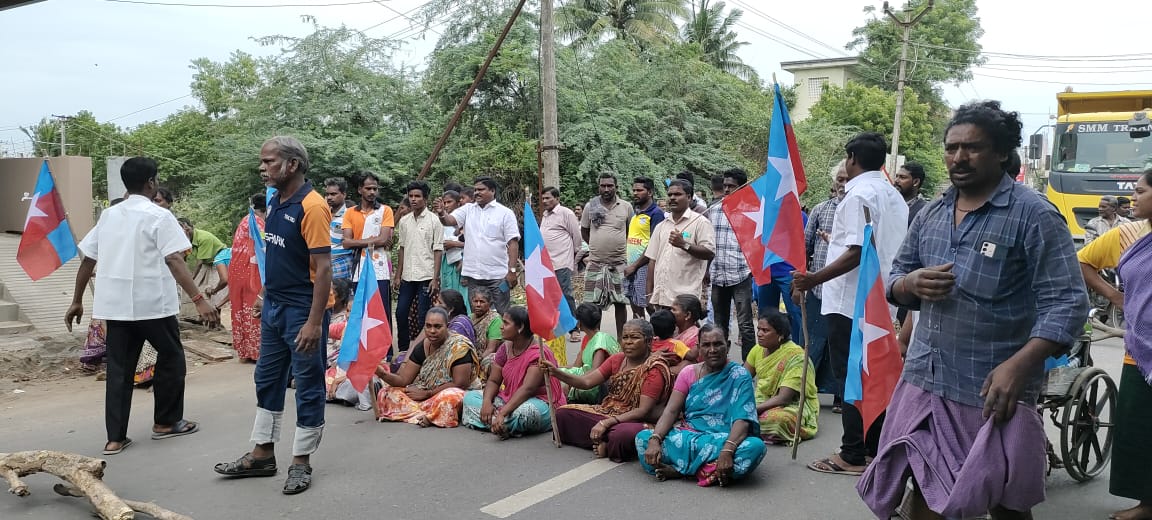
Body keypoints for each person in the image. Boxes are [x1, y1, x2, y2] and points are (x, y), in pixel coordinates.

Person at [858, 101, 1088, 519]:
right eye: (952, 148)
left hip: (992, 390)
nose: (959, 157)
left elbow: (1068, 303)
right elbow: (896, 277)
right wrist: (910, 284)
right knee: (925, 487)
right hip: (924, 380)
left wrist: (1019, 366)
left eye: (973, 147)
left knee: (1004, 501)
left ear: (1000, 152)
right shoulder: (932, 213)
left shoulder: (1034, 215)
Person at [65, 156, 217, 456]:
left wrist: (77, 299)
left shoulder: (109, 216)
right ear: (151, 183)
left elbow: (89, 259)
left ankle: (115, 438)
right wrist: (199, 300)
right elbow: (174, 259)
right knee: (171, 358)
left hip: (116, 307)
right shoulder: (160, 216)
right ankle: (166, 422)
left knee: (119, 370)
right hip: (154, 306)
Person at [214, 136, 333, 496]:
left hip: (302, 310)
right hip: (275, 308)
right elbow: (279, 259)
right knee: (267, 379)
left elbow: (324, 268)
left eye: (269, 162)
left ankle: (301, 461)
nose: (262, 168)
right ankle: (263, 454)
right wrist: (265, 297)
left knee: (308, 385)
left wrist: (314, 322)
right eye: (262, 162)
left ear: (292, 164)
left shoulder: (313, 206)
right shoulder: (275, 201)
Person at [792, 132, 908, 476]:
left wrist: (814, 278)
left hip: (851, 301)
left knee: (851, 379)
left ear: (852, 158)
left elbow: (857, 251)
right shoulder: (893, 195)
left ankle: (853, 453)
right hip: (878, 301)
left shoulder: (859, 194)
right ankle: (873, 448)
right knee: (871, 376)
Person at [1077, 168, 1152, 520]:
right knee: (1140, 428)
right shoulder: (1128, 234)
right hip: (1141, 352)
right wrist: (1115, 296)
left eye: (1140, 191)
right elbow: (1083, 261)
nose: (1132, 197)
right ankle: (1147, 504)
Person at [636, 325, 766, 486]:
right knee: (643, 439)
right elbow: (671, 411)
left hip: (724, 438)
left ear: (728, 346)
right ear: (698, 348)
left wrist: (728, 450)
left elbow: (743, 419)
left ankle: (680, 470)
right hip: (690, 436)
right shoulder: (688, 372)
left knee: (755, 447)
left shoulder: (740, 375)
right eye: (706, 345)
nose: (712, 350)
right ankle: (708, 471)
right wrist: (655, 439)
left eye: (718, 344)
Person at [543, 319, 672, 461]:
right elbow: (587, 382)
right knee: (562, 414)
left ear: (648, 341)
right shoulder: (617, 359)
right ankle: (604, 441)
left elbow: (643, 411)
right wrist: (556, 373)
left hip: (636, 420)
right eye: (625, 337)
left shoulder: (654, 368)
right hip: (609, 411)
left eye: (634, 337)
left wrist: (606, 423)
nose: (628, 342)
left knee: (621, 435)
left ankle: (607, 443)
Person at [461, 306, 565, 438]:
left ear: (520, 327)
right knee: (470, 397)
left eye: (506, 323)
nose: (501, 327)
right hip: (510, 398)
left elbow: (527, 389)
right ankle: (501, 425)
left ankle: (495, 421)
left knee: (525, 413)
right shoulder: (505, 348)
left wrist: (503, 413)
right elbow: (494, 380)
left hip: (539, 402)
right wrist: (487, 403)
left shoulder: (538, 354)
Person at [374, 307, 480, 428]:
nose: (432, 331)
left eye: (437, 327)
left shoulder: (459, 347)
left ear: (447, 326)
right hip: (428, 394)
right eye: (428, 326)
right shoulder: (423, 347)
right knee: (386, 393)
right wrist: (382, 374)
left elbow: (460, 384)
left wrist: (428, 393)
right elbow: (404, 380)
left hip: (456, 392)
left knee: (449, 397)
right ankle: (430, 414)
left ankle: (428, 414)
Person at [435, 177, 520, 314]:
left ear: (492, 191)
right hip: (473, 276)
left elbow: (513, 243)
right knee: (476, 314)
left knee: (502, 313)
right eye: (475, 190)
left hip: (498, 276)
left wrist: (512, 271)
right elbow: (449, 221)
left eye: (481, 189)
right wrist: (441, 213)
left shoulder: (505, 213)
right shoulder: (467, 210)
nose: (476, 193)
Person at [803, 161, 848, 403]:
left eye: (848, 180)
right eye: (840, 179)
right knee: (813, 341)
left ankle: (841, 396)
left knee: (840, 345)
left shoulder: (860, 211)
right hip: (818, 289)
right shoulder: (820, 210)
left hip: (845, 293)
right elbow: (805, 246)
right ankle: (806, 392)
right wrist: (800, 283)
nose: (843, 184)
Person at [743, 310, 818, 444]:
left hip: (788, 405)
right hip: (760, 399)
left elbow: (784, 398)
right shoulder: (757, 350)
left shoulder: (796, 357)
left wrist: (752, 410)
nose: (759, 334)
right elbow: (742, 379)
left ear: (781, 335)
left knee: (779, 421)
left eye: (765, 330)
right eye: (758, 329)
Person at [705, 168, 755, 355]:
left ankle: (748, 366)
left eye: (731, 186)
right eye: (725, 185)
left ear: (742, 188)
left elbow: (756, 243)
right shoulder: (714, 210)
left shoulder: (751, 211)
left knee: (745, 324)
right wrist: (707, 270)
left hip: (740, 273)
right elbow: (708, 244)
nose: (726, 189)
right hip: (718, 274)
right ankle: (720, 362)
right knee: (719, 324)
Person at [643, 180, 715, 310]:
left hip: (685, 300)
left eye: (677, 194)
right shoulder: (662, 225)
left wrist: (684, 244)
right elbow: (652, 260)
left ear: (689, 197)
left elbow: (709, 253)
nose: (672, 198)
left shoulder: (700, 223)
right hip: (661, 298)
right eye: (670, 195)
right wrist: (649, 293)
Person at [581, 173, 634, 338]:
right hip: (596, 263)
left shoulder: (626, 207)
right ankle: (596, 341)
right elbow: (584, 231)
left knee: (620, 303)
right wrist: (597, 247)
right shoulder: (591, 206)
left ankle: (621, 341)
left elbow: (630, 232)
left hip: (619, 264)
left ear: (616, 187)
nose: (606, 189)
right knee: (594, 305)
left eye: (610, 186)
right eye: (603, 186)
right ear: (598, 187)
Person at [394, 180, 444, 352]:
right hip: (408, 275)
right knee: (401, 313)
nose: (413, 199)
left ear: (425, 198)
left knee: (424, 316)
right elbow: (402, 248)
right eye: (411, 196)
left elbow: (438, 250)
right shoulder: (404, 221)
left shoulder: (434, 221)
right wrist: (398, 275)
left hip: (426, 275)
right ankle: (403, 350)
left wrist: (435, 278)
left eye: (417, 196)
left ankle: (424, 351)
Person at [342, 171, 395, 329]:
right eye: (368, 188)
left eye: (375, 188)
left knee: (382, 308)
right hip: (358, 266)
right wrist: (373, 240)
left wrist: (356, 242)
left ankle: (385, 344)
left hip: (379, 267)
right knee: (360, 308)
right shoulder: (350, 212)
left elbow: (384, 239)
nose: (372, 192)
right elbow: (346, 243)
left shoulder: (385, 210)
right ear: (360, 190)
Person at [226, 193, 268, 362]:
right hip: (251, 270)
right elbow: (265, 247)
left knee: (241, 308)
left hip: (236, 270)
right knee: (255, 307)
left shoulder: (245, 220)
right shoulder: (259, 223)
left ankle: (245, 351)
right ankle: (256, 352)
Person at [622, 176, 664, 320]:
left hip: (644, 266)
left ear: (650, 192)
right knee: (634, 303)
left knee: (648, 304)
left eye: (639, 190)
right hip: (631, 265)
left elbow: (654, 244)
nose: (635, 193)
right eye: (634, 190)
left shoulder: (656, 213)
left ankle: (660, 331)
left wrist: (635, 266)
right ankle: (640, 331)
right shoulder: (636, 213)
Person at [560, 303, 620, 404]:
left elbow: (594, 371)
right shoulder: (589, 338)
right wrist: (556, 368)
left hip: (598, 387)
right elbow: (576, 366)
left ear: (579, 323)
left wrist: (571, 382)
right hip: (588, 378)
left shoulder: (599, 343)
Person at [540, 186, 581, 316]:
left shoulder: (566, 213)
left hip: (561, 261)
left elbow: (576, 236)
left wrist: (574, 254)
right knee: (550, 295)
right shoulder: (545, 215)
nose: (544, 201)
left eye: (548, 198)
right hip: (547, 263)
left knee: (565, 293)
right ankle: (556, 322)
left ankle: (573, 323)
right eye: (543, 198)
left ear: (557, 198)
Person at [178, 217, 227, 310]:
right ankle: (201, 314)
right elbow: (183, 258)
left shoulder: (204, 238)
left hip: (219, 262)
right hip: (208, 263)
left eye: (187, 229)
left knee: (214, 294)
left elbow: (199, 263)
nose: (185, 232)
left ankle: (215, 315)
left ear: (191, 227)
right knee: (197, 288)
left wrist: (191, 278)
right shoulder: (186, 240)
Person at [438, 190, 467, 306]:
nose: (446, 205)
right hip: (446, 259)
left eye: (449, 202)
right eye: (444, 203)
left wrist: (454, 244)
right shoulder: (441, 220)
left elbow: (476, 244)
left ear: (458, 203)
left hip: (463, 258)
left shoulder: (465, 218)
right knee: (447, 290)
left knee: (462, 291)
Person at [324, 177, 353, 280]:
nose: (329, 197)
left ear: (344, 194)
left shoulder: (350, 215)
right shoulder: (323, 213)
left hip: (342, 265)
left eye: (333, 194)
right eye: (327, 194)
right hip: (322, 262)